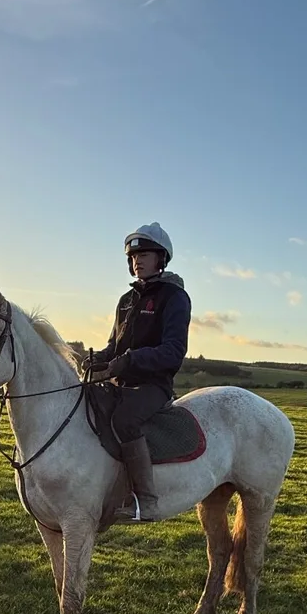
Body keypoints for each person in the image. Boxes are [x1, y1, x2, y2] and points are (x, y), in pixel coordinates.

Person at [85, 223, 191, 520]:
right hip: (122, 382)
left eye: (145, 254)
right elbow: (113, 346)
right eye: (133, 256)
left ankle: (146, 500)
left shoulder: (174, 297)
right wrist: (98, 360)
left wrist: (131, 360)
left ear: (162, 258)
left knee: (124, 419)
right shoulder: (126, 301)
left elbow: (173, 351)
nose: (137, 261)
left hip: (153, 385)